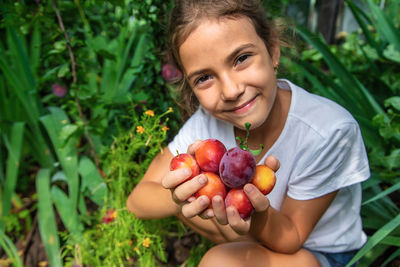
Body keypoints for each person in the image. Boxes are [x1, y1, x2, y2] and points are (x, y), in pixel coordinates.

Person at [126, 1, 370, 266]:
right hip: (251, 241)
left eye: (241, 58)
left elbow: (292, 238)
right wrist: (186, 193)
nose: (231, 91)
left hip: (319, 254)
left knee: (220, 262)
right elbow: (138, 200)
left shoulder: (328, 131)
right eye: (204, 78)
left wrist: (249, 210)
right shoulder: (207, 125)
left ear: (272, 49)